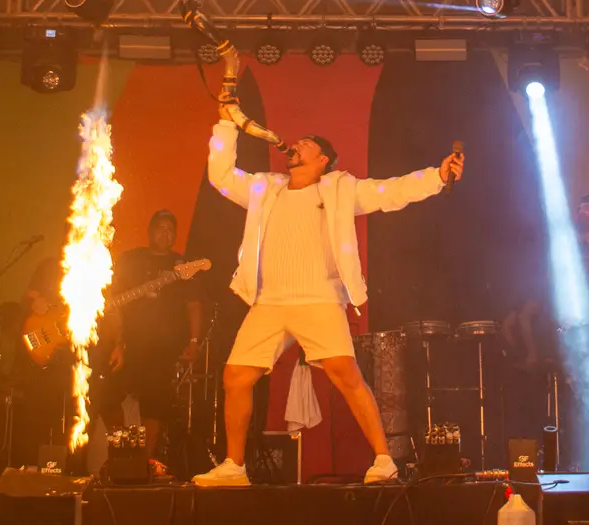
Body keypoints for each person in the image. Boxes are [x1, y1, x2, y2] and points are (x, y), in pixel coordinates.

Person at [192, 108, 464, 487]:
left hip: (318, 299)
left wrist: (437, 176)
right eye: (297, 142)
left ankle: (384, 460)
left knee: (346, 375)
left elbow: (392, 192)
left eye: (307, 144)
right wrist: (225, 124)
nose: (297, 145)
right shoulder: (265, 188)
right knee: (236, 377)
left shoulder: (339, 189)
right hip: (268, 302)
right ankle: (234, 466)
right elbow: (220, 176)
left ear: (323, 160)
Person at [96, 210, 204, 460]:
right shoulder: (131, 260)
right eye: (160, 228)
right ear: (150, 231)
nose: (165, 233)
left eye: (170, 229)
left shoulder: (181, 266)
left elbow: (194, 305)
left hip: (162, 347)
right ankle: (122, 452)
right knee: (107, 396)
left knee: (153, 404)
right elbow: (114, 303)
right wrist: (118, 341)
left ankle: (145, 461)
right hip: (127, 342)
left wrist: (194, 341)